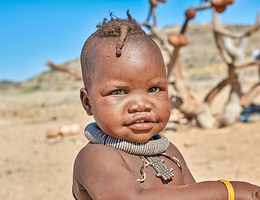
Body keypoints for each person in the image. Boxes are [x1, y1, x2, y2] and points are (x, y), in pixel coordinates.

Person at [72, 11, 260, 200]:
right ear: (87, 103)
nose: (141, 104)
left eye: (154, 89)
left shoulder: (169, 151)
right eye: (118, 92)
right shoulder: (96, 157)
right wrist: (229, 190)